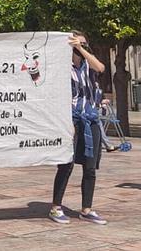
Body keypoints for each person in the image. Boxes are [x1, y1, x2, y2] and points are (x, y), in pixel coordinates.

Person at [49, 32, 108, 225]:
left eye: (84, 44)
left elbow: (101, 67)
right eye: (76, 44)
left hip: (91, 120)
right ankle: (56, 207)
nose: (81, 47)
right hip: (72, 121)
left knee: (90, 168)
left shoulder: (88, 67)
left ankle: (87, 209)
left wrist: (82, 49)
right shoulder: (62, 68)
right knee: (66, 165)